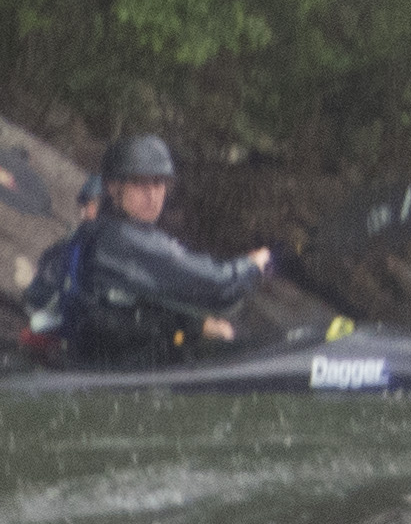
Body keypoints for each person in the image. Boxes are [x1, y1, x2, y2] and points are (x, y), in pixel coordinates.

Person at [47, 132, 276, 361]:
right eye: (139, 183)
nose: (152, 195)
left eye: (158, 183)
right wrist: (252, 265)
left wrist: (197, 325)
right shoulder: (126, 239)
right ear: (114, 188)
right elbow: (218, 286)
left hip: (101, 363)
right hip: (121, 371)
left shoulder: (98, 232)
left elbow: (137, 306)